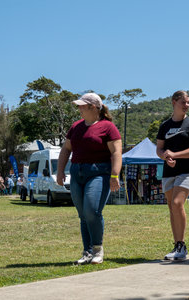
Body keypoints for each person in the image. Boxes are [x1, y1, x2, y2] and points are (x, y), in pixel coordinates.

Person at [57, 92, 122, 265]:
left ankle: (97, 249)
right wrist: (60, 171)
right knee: (83, 214)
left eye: (82, 106)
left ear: (93, 108)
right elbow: (66, 150)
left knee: (92, 210)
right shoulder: (76, 126)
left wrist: (115, 175)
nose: (79, 109)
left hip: (99, 172)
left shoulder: (108, 127)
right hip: (77, 173)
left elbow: (116, 152)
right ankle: (87, 252)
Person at [156, 90, 189, 261]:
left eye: (188, 102)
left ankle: (182, 246)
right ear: (174, 102)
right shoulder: (164, 126)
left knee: (177, 203)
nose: (187, 105)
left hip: (187, 171)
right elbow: (159, 149)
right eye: (184, 102)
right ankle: (177, 246)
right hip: (169, 172)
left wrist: (175, 155)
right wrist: (165, 156)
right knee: (172, 207)